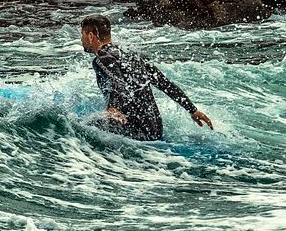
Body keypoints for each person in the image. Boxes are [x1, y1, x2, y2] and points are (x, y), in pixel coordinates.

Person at [80, 14, 213, 141]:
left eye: (83, 34)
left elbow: (117, 81)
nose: (82, 39)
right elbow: (164, 83)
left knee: (82, 127)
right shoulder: (132, 55)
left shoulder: (102, 59)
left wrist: (113, 107)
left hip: (134, 130)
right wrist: (192, 110)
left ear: (91, 36)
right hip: (155, 130)